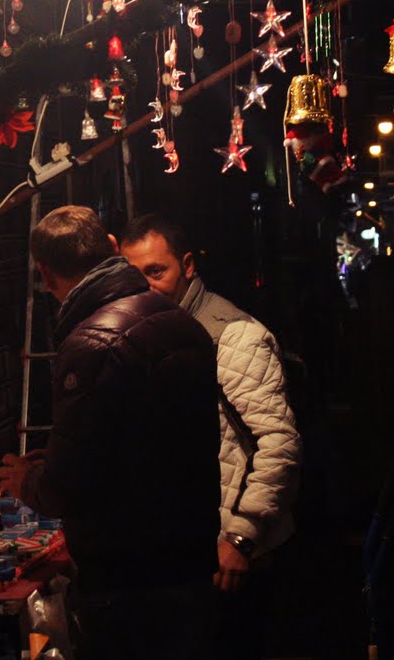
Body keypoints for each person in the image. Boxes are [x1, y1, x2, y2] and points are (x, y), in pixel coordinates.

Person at [0, 205, 222, 660]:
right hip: (191, 561)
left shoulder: (92, 343)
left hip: (130, 581)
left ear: (44, 273)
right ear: (114, 248)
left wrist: (26, 480)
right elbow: (142, 444)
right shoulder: (179, 320)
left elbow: (69, 485)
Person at [119, 214, 302, 660]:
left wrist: (241, 537)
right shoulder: (155, 329)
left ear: (187, 266)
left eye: (156, 271)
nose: (146, 286)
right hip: (187, 556)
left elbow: (278, 443)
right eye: (135, 275)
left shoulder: (233, 336)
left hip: (234, 559)